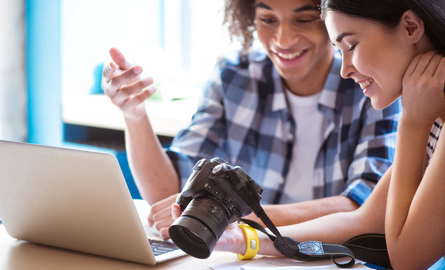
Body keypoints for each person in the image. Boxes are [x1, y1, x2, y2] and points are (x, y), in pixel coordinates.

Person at [206, 0, 445, 270]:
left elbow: (407, 257)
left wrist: (412, 120)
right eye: (339, 51)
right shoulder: (434, 116)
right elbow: (368, 221)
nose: (345, 69)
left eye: (352, 46)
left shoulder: (422, 117)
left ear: (410, 27)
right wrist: (244, 239)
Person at [103, 0, 400, 239]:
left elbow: (363, 205)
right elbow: (173, 196)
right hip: (247, 261)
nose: (283, 39)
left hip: (331, 264)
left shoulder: (370, 82)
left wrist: (231, 214)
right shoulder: (234, 75)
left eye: (303, 19)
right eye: (268, 20)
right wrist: (135, 114)